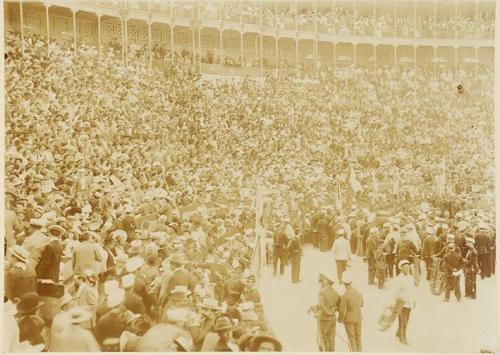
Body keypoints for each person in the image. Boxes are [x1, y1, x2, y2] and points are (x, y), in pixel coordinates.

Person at [309, 273, 340, 352]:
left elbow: (322, 305)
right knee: (332, 339)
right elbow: (338, 307)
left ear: (327, 281)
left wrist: (326, 312)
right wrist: (332, 312)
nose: (323, 281)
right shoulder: (336, 293)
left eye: (324, 279)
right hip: (333, 319)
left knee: (323, 339)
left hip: (323, 319)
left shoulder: (322, 292)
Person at [391, 260, 416, 345]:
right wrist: (394, 304)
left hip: (409, 303)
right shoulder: (398, 279)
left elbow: (412, 290)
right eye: (405, 268)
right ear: (401, 268)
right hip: (401, 304)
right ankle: (403, 338)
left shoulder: (410, 278)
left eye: (408, 268)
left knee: (404, 321)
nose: (407, 269)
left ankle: (398, 334)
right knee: (403, 322)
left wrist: (413, 301)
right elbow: (394, 292)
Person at [338, 272, 363, 352]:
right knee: (358, 336)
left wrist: (340, 319)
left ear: (344, 283)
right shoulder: (358, 292)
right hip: (358, 317)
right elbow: (362, 304)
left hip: (349, 320)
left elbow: (342, 310)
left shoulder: (345, 295)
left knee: (351, 338)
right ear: (351, 282)